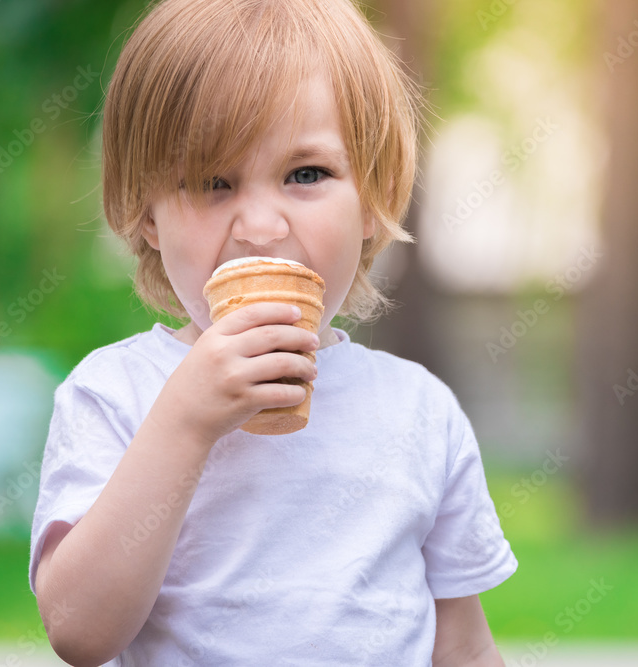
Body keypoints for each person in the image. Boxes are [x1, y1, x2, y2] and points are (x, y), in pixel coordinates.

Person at [29, 0, 517, 664]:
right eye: (213, 181)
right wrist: (186, 420)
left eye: (306, 174)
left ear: (372, 199)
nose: (261, 224)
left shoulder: (420, 413)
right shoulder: (116, 394)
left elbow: (462, 642)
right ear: (147, 215)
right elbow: (78, 630)